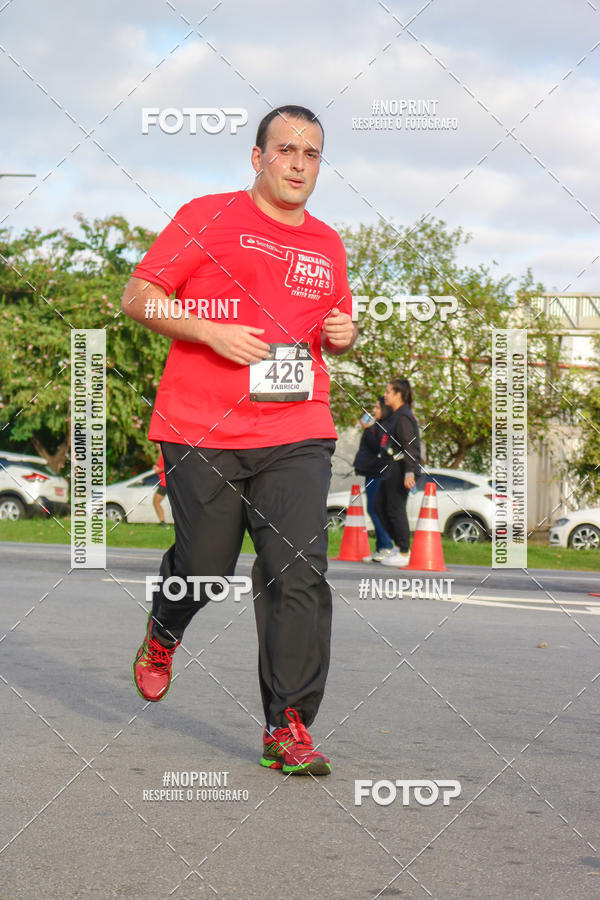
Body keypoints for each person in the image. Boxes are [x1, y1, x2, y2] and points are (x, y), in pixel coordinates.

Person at [121, 104, 357, 776]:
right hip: (203, 427)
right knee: (206, 565)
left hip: (296, 427)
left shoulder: (328, 244)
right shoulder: (208, 216)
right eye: (286, 150)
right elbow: (138, 296)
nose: (299, 164)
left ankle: (288, 725)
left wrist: (345, 334)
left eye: (311, 154)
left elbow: (335, 325)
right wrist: (209, 331)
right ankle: (165, 630)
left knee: (299, 570)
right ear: (258, 158)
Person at [374, 378, 421, 567]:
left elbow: (410, 446)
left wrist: (409, 472)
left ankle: (404, 551)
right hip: (392, 467)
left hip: (402, 468)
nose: (385, 395)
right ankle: (398, 545)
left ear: (398, 395)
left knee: (395, 508)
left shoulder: (403, 417)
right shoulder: (395, 415)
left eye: (388, 392)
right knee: (379, 506)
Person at [352, 397, 394, 561]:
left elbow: (378, 447)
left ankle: (387, 546)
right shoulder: (377, 426)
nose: (374, 410)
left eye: (377, 407)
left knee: (375, 509)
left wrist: (368, 429)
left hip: (379, 473)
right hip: (372, 472)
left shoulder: (384, 427)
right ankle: (380, 548)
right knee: (374, 509)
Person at [152, 450, 168, 527]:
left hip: (164, 483)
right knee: (156, 502)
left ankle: (162, 522)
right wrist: (156, 468)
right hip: (164, 482)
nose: (157, 446)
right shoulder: (161, 456)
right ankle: (162, 521)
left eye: (158, 445)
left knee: (156, 502)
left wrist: (159, 470)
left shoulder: (165, 455)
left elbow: (168, 466)